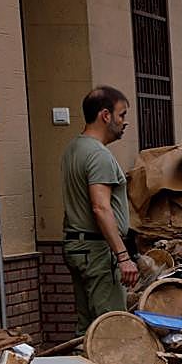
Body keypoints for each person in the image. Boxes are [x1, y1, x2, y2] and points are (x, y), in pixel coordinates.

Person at [61, 86, 137, 335]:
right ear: (105, 115)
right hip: (97, 251)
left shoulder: (74, 148)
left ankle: (80, 361)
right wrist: (123, 256)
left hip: (78, 246)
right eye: (121, 115)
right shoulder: (98, 155)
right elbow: (100, 207)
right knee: (110, 330)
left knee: (87, 330)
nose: (124, 122)